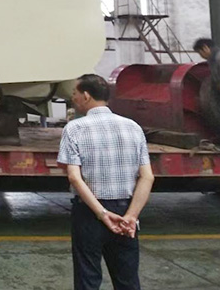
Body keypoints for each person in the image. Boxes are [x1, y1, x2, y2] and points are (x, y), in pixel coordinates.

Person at [58, 74, 155, 290]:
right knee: (127, 280)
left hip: (89, 213)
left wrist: (102, 214)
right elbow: (147, 176)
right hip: (125, 213)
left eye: (74, 93)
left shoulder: (74, 128)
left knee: (88, 280)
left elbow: (74, 176)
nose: (73, 98)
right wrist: (131, 217)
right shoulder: (133, 127)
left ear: (86, 96)